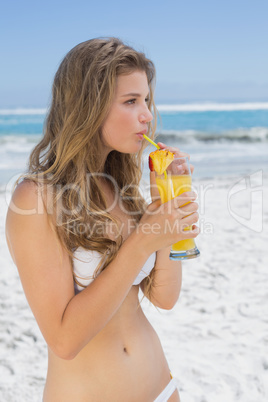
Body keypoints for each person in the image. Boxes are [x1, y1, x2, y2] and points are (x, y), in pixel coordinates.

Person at [5, 38, 199, 401]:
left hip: (161, 387)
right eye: (130, 101)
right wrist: (144, 239)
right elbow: (65, 340)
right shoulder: (36, 199)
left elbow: (164, 297)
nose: (147, 115)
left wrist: (166, 216)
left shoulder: (123, 188)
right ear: (87, 107)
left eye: (147, 101)